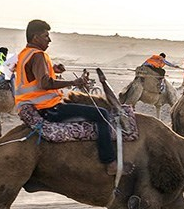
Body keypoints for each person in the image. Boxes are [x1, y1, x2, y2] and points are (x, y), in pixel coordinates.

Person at [14, 19, 121, 176]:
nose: (49, 40)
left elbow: (33, 75)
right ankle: (110, 162)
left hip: (32, 105)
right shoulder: (38, 55)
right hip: (48, 108)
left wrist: (53, 69)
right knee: (102, 114)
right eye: (46, 36)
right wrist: (73, 82)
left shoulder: (24, 54)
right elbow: (45, 83)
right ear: (36, 37)